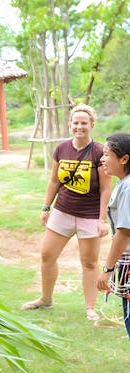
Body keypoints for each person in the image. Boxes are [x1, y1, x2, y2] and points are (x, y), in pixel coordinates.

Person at [22, 104, 112, 322]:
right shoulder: (61, 149)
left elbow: (105, 188)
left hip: (89, 214)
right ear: (70, 124)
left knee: (89, 262)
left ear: (92, 125)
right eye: (76, 122)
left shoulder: (99, 151)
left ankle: (90, 308)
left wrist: (102, 220)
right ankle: (46, 299)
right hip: (62, 210)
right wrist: (46, 207)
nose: (79, 126)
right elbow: (54, 181)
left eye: (84, 123)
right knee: (47, 255)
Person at [97, 133, 130, 337]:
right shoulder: (124, 184)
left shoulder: (128, 188)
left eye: (107, 154)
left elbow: (125, 232)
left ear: (124, 159)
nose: (102, 159)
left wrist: (107, 269)